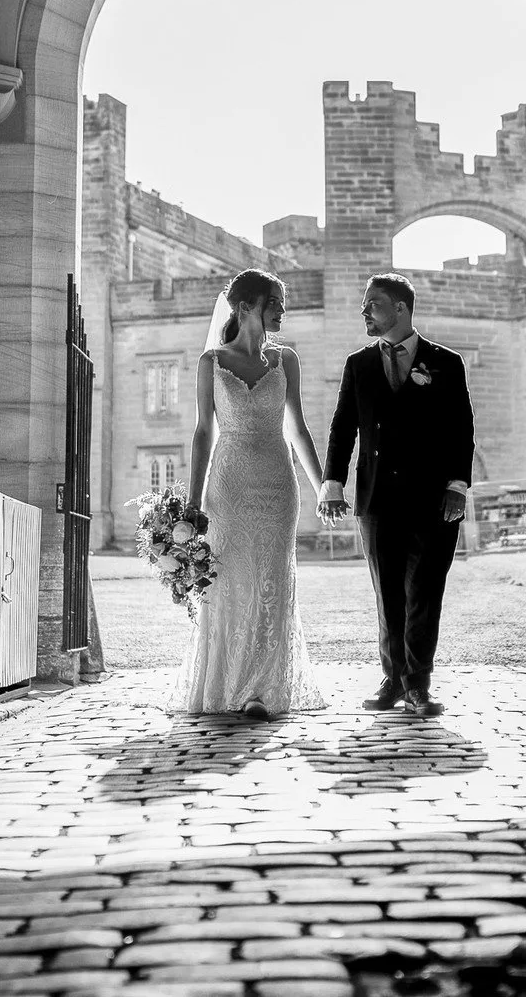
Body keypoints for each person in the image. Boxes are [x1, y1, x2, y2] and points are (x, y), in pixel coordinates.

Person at [171, 268, 330, 719]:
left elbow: (297, 428)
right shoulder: (211, 363)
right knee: (229, 586)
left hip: (278, 486)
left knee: (272, 583)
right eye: (274, 303)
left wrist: (323, 488)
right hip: (229, 485)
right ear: (245, 307)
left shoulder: (287, 361)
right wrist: (194, 503)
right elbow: (203, 433)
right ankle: (225, 684)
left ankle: (262, 689)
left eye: (281, 303)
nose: (282, 311)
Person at [318, 272, 476, 717]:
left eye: (373, 304)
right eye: (365, 304)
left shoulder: (447, 362)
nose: (364, 311)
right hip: (377, 499)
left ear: (401, 309)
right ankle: (392, 680)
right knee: (387, 593)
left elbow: (461, 430)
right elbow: (342, 426)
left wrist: (457, 486)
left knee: (425, 592)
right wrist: (333, 481)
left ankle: (418, 685)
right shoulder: (358, 364)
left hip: (433, 499)